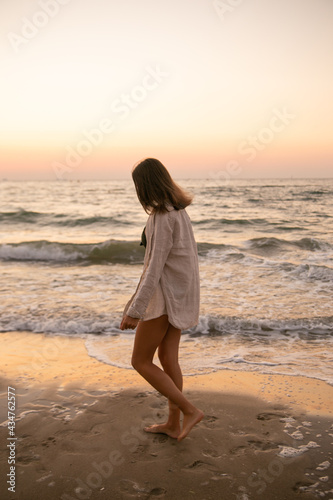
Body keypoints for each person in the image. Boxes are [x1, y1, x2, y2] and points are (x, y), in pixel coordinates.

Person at [120, 158, 203, 441]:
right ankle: (173, 423)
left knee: (140, 361)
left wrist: (135, 309)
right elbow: (185, 262)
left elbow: (153, 268)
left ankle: (190, 410)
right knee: (168, 359)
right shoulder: (178, 212)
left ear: (145, 186)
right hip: (177, 296)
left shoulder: (162, 218)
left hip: (163, 299)